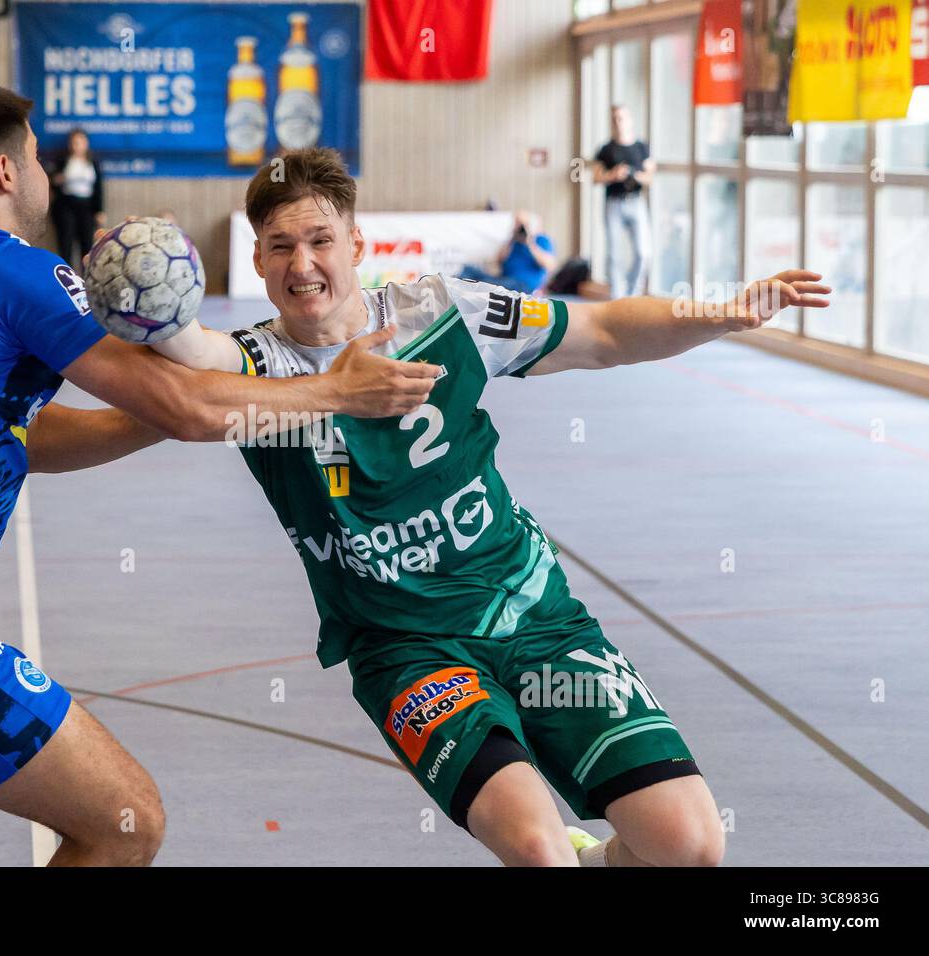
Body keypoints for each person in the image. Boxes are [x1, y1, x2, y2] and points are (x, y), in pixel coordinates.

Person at [0, 87, 437, 868]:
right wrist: (335, 391)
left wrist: (166, 411)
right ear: (7, 171)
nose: (46, 174)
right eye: (40, 157)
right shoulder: (13, 272)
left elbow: (11, 435)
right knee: (124, 822)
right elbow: (184, 406)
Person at [100, 146, 829, 866]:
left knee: (690, 847)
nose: (303, 265)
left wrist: (717, 313)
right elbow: (191, 353)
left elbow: (602, 332)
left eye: (321, 241)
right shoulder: (254, 368)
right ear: (257, 260)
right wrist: (147, 299)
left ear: (356, 244)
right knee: (537, 849)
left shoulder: (442, 313)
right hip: (407, 648)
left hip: (533, 616)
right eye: (281, 247)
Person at [593, 105, 656, 298]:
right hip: (614, 203)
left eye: (622, 118)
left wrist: (634, 176)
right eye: (615, 119)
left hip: (636, 202)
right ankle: (617, 298)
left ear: (630, 120)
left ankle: (632, 295)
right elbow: (596, 178)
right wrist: (613, 175)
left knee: (643, 252)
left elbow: (650, 177)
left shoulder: (641, 147)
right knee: (614, 254)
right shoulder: (606, 149)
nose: (619, 122)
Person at [457, 210, 557, 294]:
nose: (520, 226)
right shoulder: (512, 242)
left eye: (523, 224)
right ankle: (457, 290)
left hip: (523, 284)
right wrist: (512, 239)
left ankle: (464, 292)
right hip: (504, 279)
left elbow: (550, 265)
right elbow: (499, 261)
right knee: (468, 269)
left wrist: (529, 242)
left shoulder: (541, 240)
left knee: (484, 284)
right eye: (517, 223)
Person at [50, 128, 105, 265]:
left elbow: (98, 188)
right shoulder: (63, 160)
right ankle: (66, 279)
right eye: (75, 142)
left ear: (86, 144)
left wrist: (100, 210)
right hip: (66, 205)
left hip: (86, 206)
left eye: (80, 142)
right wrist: (58, 179)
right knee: (66, 244)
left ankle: (86, 281)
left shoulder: (93, 162)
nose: (77, 145)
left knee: (87, 246)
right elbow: (53, 181)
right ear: (70, 144)